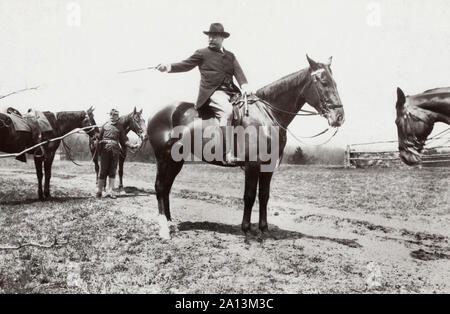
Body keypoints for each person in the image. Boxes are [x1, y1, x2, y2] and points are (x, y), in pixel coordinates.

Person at [156, 23, 253, 164]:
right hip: (213, 92)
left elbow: (238, 73)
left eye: (214, 36)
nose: (211, 39)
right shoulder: (202, 53)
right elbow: (185, 64)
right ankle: (228, 153)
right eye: (209, 36)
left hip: (232, 93)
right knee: (227, 111)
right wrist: (168, 67)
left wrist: (244, 85)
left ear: (222, 38)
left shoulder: (230, 56)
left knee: (247, 111)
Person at [96, 109, 138, 198]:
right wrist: (98, 146)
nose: (112, 116)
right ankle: (99, 190)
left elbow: (124, 140)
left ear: (117, 117)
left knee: (112, 171)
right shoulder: (104, 125)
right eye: (111, 114)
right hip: (105, 150)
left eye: (115, 115)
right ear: (109, 115)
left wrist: (132, 145)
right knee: (103, 170)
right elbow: (99, 138)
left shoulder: (120, 127)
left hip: (115, 151)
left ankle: (110, 191)